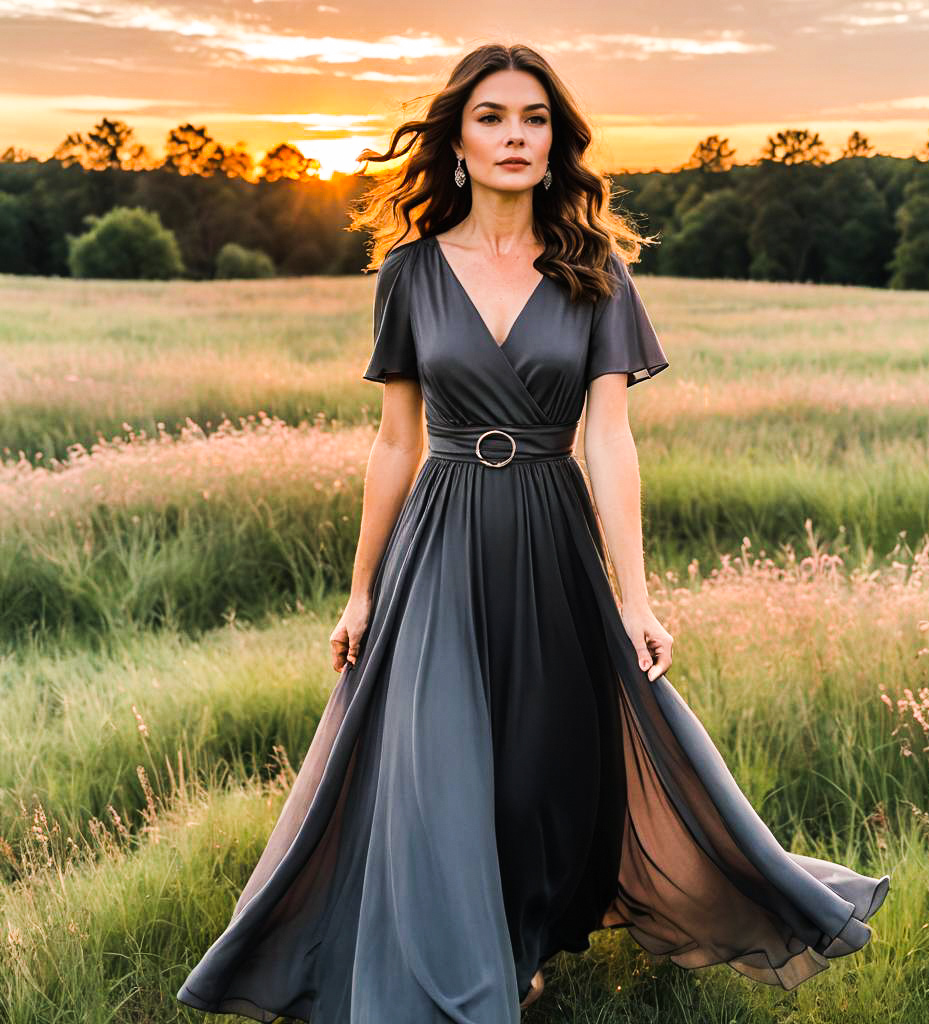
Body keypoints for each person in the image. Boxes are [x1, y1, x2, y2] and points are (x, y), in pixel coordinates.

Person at [176, 42, 890, 1024]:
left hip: (554, 539)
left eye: (534, 119)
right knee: (441, 770)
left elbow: (609, 439)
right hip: (439, 542)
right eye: (491, 118)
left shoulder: (598, 271)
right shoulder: (410, 272)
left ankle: (517, 946)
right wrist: (359, 587)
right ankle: (463, 995)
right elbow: (395, 440)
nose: (514, 136)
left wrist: (635, 597)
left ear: (556, 145)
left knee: (537, 775)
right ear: (457, 143)